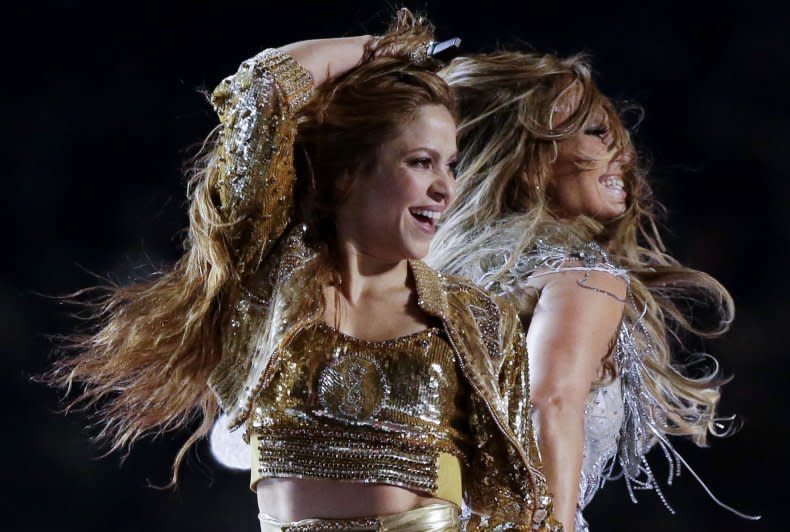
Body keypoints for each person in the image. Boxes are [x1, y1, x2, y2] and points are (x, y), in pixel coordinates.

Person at [45, 13, 561, 531]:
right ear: (344, 176)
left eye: (450, 165)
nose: (445, 188)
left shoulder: (474, 318)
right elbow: (262, 87)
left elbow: (514, 509)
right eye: (421, 162)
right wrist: (374, 50)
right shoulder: (265, 285)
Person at [427, 51, 759, 531]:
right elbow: (549, 404)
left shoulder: (428, 277)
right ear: (526, 152)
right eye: (597, 133)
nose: (624, 154)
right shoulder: (582, 277)